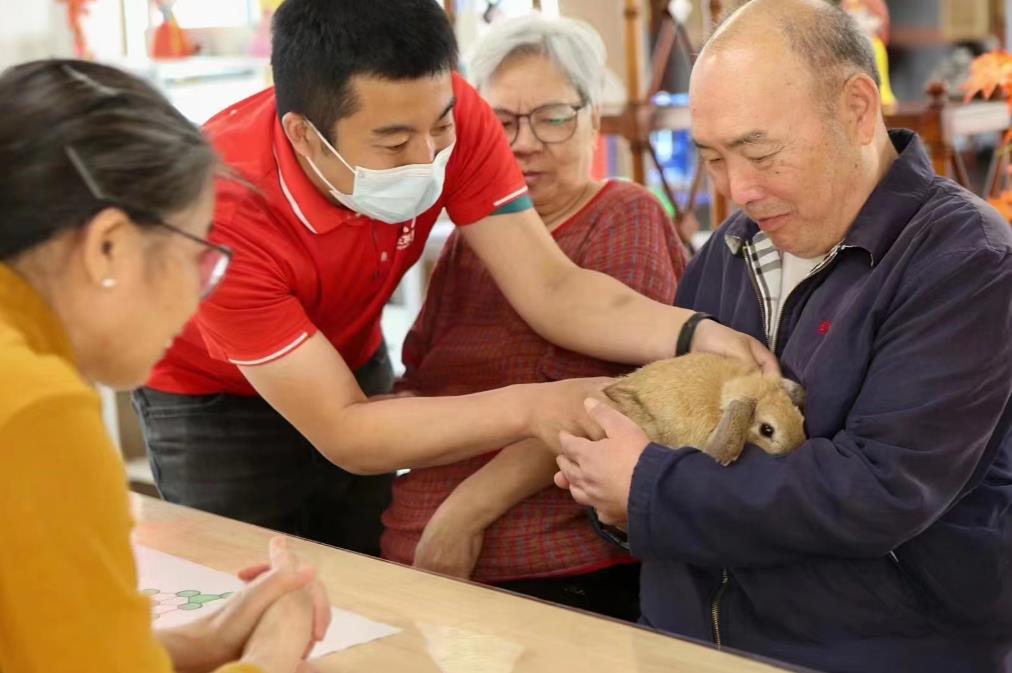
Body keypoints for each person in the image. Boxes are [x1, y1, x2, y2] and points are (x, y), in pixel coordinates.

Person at [133, 0, 773, 555]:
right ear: (304, 136)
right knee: (243, 585)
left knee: (366, 575)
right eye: (392, 144)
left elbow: (552, 288)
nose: (429, 155)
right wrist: (529, 407)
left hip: (350, 355)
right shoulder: (220, 208)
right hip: (208, 394)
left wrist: (693, 334)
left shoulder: (448, 114)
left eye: (440, 127)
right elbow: (347, 430)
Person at [555, 1, 1012, 671]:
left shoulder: (966, 261)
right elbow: (670, 427)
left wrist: (647, 487)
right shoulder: (729, 250)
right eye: (712, 159)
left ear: (857, 109)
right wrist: (614, 490)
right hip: (684, 640)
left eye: (760, 151)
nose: (738, 189)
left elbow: (878, 488)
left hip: (873, 650)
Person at [0, 59, 331, 673]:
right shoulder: (35, 407)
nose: (198, 296)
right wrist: (275, 651)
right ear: (109, 246)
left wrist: (213, 638)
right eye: (197, 254)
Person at [380, 15, 686, 621]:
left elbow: (600, 407)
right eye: (502, 122)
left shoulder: (623, 215)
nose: (523, 143)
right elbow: (420, 379)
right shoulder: (473, 241)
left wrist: (459, 515)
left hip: (546, 567)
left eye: (553, 117)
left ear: (593, 118)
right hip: (419, 554)